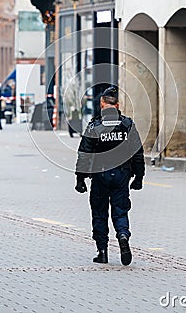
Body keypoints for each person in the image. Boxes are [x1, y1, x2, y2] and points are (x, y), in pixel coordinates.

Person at [75, 86, 145, 266]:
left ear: (101, 104)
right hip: (122, 174)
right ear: (118, 105)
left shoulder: (94, 126)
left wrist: (80, 179)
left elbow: (84, 153)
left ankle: (102, 252)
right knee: (120, 210)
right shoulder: (127, 125)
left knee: (99, 213)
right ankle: (122, 235)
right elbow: (137, 152)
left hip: (100, 175)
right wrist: (138, 177)